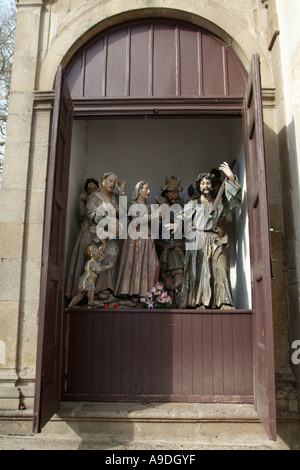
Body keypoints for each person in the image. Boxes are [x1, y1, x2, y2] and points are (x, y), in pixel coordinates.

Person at [181, 162, 241, 309]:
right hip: (198, 239)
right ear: (199, 187)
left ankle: (224, 301)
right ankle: (200, 302)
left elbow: (233, 200)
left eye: (208, 183)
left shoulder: (219, 203)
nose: (206, 186)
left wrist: (231, 177)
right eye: (203, 183)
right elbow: (182, 219)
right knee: (200, 272)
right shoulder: (192, 204)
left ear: (213, 187)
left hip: (214, 239)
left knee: (221, 268)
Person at [114, 181, 160, 297]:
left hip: (148, 238)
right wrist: (152, 216)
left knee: (152, 263)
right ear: (139, 190)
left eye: (149, 189)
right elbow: (136, 220)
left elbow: (153, 225)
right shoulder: (134, 204)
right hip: (136, 237)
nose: (149, 191)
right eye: (146, 189)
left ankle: (147, 293)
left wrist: (158, 218)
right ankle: (131, 291)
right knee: (136, 261)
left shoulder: (149, 206)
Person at [86, 172, 126, 294]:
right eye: (110, 180)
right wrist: (109, 225)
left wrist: (122, 192)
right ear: (102, 180)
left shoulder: (115, 197)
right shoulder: (94, 197)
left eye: (114, 182)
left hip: (112, 236)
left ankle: (109, 288)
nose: (112, 184)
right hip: (98, 235)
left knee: (113, 254)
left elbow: (124, 212)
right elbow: (92, 215)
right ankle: (97, 291)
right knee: (101, 258)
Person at [65, 177, 99, 300]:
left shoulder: (102, 200)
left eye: (95, 188)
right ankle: (76, 291)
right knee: (82, 259)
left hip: (99, 234)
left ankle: (97, 293)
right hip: (87, 231)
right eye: (90, 189)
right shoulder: (88, 200)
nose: (93, 191)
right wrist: (80, 200)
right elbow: (83, 213)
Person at [155, 176, 185, 306]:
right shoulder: (159, 209)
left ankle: (181, 304)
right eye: (171, 192)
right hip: (163, 248)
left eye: (176, 192)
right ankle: (170, 305)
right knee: (167, 282)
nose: (174, 195)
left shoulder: (181, 209)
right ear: (166, 193)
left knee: (178, 280)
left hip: (177, 248)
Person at [68, 243, 114, 308]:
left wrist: (103, 245)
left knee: (80, 295)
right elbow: (100, 269)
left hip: (87, 280)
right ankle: (90, 305)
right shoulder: (92, 263)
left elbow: (100, 254)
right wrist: (109, 266)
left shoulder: (94, 261)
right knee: (90, 294)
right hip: (88, 281)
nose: (97, 251)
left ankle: (70, 306)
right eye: (95, 250)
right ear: (91, 254)